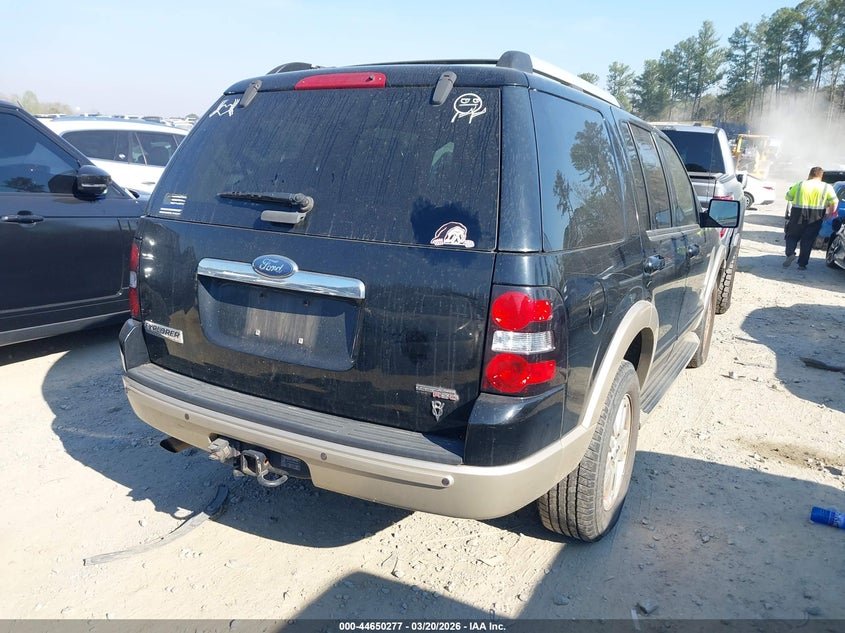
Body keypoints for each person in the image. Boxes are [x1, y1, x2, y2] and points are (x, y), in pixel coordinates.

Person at [783, 166, 838, 270]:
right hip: (816, 216)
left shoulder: (800, 184)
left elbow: (788, 197)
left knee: (792, 235)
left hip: (798, 214)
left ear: (810, 174)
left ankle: (790, 253)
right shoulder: (826, 187)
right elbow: (834, 202)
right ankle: (802, 264)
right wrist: (829, 214)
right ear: (821, 176)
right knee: (808, 240)